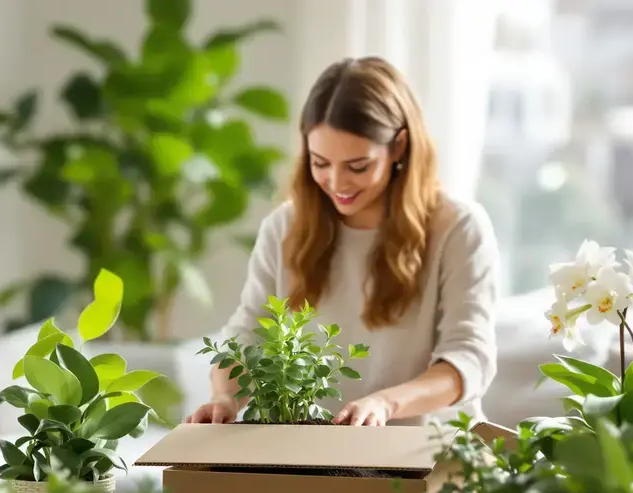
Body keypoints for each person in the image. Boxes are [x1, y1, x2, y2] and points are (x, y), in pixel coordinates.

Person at [185, 56, 499, 427]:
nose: (337, 183)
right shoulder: (284, 228)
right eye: (320, 163)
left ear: (398, 147)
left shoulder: (459, 228)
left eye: (357, 166)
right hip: (318, 455)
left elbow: (468, 359)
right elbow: (245, 336)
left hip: (427, 456)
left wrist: (385, 404)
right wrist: (224, 398)